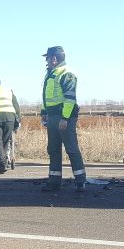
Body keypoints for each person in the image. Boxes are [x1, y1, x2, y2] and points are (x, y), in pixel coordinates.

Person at [40, 46, 85, 191]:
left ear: (54, 58)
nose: (46, 61)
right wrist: (44, 112)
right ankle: (54, 181)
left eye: (47, 58)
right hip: (52, 117)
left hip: (63, 117)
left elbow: (70, 98)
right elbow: (47, 96)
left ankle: (80, 181)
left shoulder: (67, 73)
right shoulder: (51, 74)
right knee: (53, 149)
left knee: (71, 149)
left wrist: (65, 118)